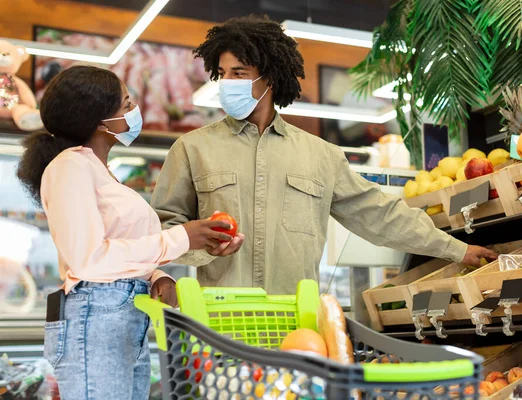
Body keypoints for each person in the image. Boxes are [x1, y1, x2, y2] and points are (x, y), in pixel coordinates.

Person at [151, 15, 497, 295]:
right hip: (220, 326)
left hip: (297, 329)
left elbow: (380, 215)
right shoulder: (192, 148)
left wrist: (458, 250)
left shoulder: (321, 156)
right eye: (222, 74)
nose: (227, 83)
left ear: (269, 79)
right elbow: (159, 230)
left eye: (239, 74)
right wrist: (197, 248)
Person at [16, 66, 234, 400]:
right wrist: (181, 238)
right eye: (126, 104)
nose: (135, 112)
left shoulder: (98, 170)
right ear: (100, 121)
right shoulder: (69, 166)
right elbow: (89, 260)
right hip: (95, 317)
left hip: (122, 316)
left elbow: (115, 248)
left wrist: (157, 276)